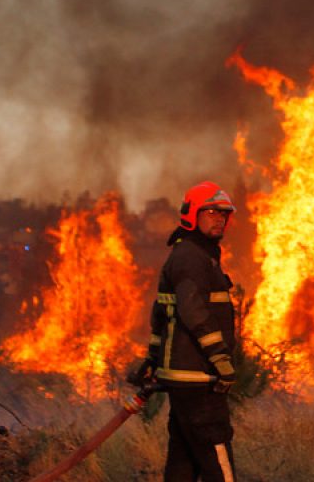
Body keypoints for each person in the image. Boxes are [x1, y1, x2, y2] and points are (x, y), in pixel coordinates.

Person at [132, 181, 238, 482]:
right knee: (218, 460)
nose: (220, 219)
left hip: (184, 379)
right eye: (212, 212)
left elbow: (161, 316)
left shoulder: (194, 254)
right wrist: (220, 358)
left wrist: (153, 359)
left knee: (183, 461)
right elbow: (194, 312)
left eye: (224, 214)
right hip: (199, 379)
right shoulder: (191, 257)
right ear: (192, 214)